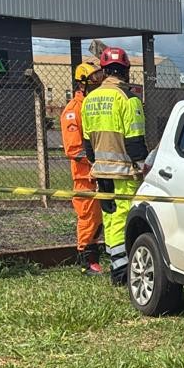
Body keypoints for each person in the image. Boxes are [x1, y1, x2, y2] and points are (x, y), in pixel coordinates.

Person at [84, 46, 147, 285]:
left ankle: (117, 266)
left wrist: (96, 164)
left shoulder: (90, 99)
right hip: (123, 172)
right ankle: (123, 272)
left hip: (101, 171)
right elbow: (134, 140)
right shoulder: (128, 99)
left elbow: (87, 141)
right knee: (125, 217)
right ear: (126, 71)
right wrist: (142, 169)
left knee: (110, 218)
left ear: (103, 71)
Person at [60, 61, 105, 275]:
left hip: (101, 172)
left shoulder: (94, 106)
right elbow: (73, 149)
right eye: (94, 80)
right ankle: (87, 261)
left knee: (103, 219)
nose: (99, 83)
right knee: (88, 219)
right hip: (85, 177)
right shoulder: (72, 111)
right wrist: (95, 160)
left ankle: (97, 256)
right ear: (82, 84)